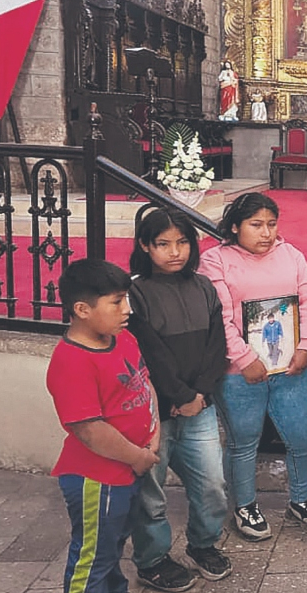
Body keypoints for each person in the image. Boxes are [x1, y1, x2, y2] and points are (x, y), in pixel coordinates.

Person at [198, 193, 307, 539]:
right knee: (243, 440)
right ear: (235, 226)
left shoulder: (291, 255)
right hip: (241, 373)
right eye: (256, 225)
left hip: (290, 367)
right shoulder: (216, 260)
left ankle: (301, 498)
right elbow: (219, 317)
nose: (266, 233)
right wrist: (243, 358)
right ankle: (245, 505)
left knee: (303, 436)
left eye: (271, 224)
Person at [126, 211, 231, 590]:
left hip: (199, 407)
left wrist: (200, 394)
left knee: (212, 483)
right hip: (157, 412)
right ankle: (152, 559)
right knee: (151, 493)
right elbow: (150, 353)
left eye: (182, 242)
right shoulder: (135, 293)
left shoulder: (203, 287)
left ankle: (203, 545)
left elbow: (216, 345)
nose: (175, 252)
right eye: (164, 244)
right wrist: (180, 396)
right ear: (145, 246)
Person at [47, 259, 159, 593]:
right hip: (97, 478)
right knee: (92, 559)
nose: (127, 309)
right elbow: (89, 429)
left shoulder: (123, 339)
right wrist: (137, 457)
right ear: (82, 308)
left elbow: (144, 383)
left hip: (128, 470)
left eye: (126, 299)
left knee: (111, 550)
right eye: (116, 302)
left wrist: (154, 434)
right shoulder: (72, 360)